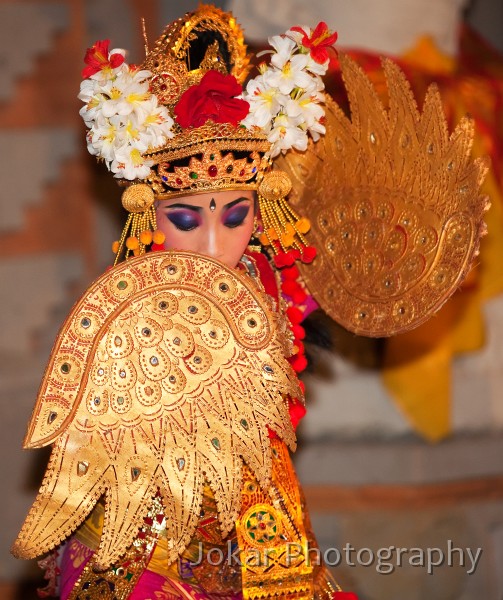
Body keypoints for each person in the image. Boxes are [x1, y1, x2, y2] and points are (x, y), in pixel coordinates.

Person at [11, 4, 487, 599]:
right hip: (160, 550)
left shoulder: (267, 275)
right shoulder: (133, 315)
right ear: (148, 214)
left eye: (236, 216)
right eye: (186, 219)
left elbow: (352, 281)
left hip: (270, 533)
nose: (215, 244)